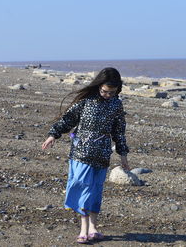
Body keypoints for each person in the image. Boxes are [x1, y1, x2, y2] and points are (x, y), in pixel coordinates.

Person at [42, 67, 130, 244]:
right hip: (81, 152)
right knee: (82, 187)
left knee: (96, 189)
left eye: (112, 92)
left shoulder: (116, 105)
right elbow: (68, 119)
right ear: (99, 86)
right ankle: (83, 229)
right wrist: (53, 135)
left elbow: (119, 132)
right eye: (105, 91)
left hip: (102, 153)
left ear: (117, 90)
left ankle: (93, 228)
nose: (107, 95)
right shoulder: (86, 101)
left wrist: (123, 155)